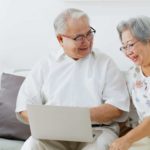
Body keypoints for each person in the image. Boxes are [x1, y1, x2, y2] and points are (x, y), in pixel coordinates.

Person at [16, 8, 129, 150]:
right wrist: (52, 121)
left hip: (97, 132)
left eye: (89, 34)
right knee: (31, 146)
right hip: (53, 134)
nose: (87, 41)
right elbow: (23, 108)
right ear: (60, 39)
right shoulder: (45, 64)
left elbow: (117, 108)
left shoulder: (105, 63)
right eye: (79, 38)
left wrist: (76, 118)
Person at [109, 16, 150, 150]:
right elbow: (120, 107)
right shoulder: (133, 74)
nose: (128, 52)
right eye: (124, 47)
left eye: (131, 45)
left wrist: (127, 139)